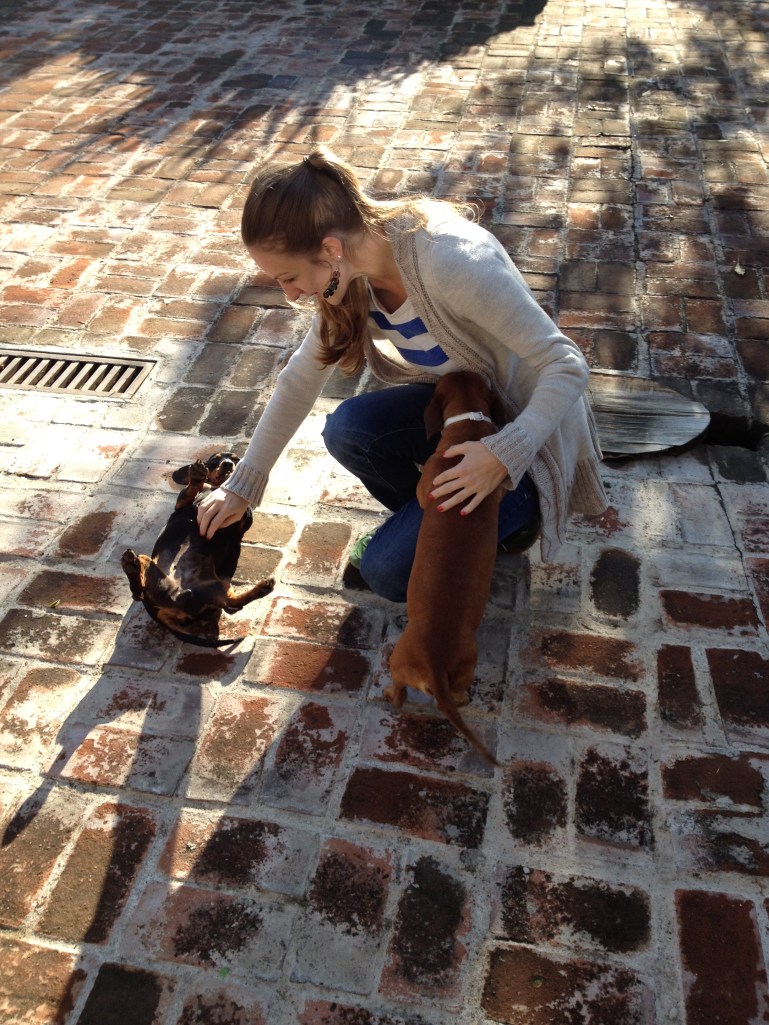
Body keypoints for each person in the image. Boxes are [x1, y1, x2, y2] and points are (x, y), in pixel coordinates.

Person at [197, 147, 608, 602]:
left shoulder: (450, 261)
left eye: (289, 277)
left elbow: (567, 364)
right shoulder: (351, 279)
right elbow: (300, 378)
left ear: (331, 249)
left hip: (525, 449)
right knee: (348, 429)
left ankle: (512, 523)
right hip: (463, 415)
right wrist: (245, 485)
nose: (291, 294)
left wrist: (503, 455)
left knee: (388, 575)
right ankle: (440, 520)